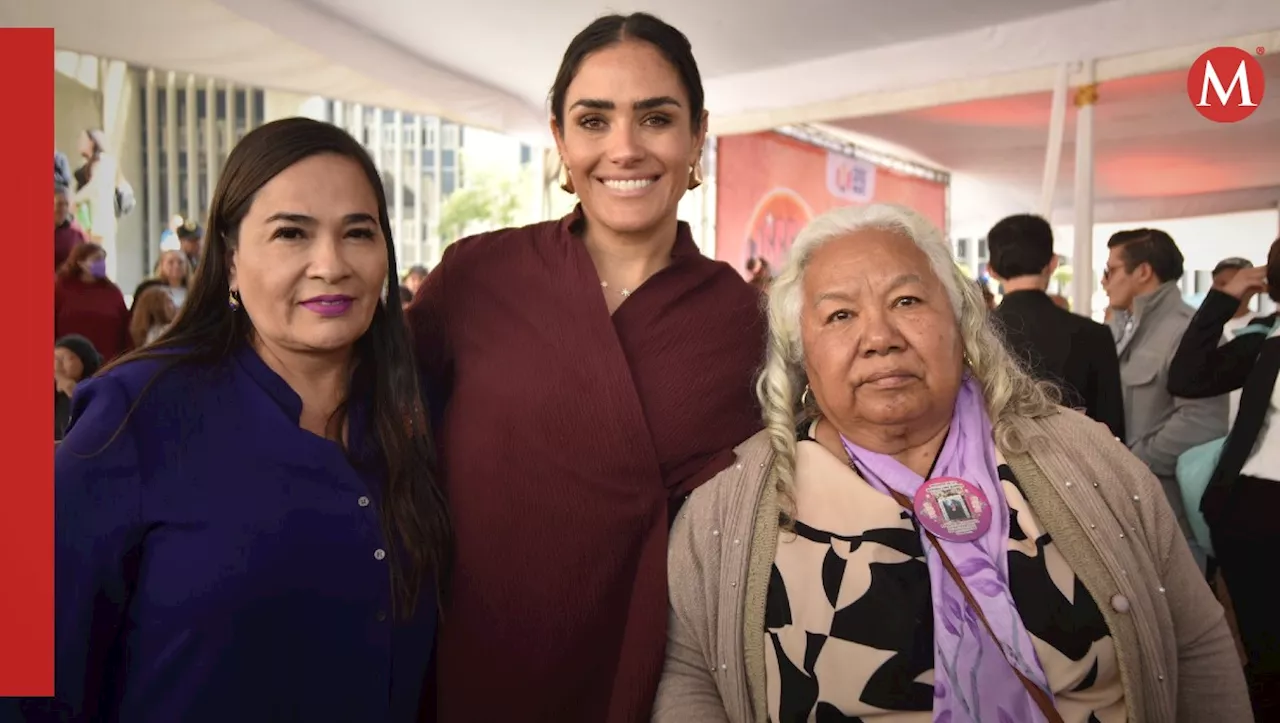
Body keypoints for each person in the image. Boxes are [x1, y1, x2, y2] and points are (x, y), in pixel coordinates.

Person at [653, 204, 1252, 723]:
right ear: (799, 350)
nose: (880, 336)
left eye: (907, 300)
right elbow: (690, 675)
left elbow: (1195, 642)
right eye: (840, 315)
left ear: (961, 324)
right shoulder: (735, 503)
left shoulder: (1084, 457)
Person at [14, 118, 451, 723]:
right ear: (230, 259)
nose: (330, 264)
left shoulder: (415, 410)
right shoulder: (136, 412)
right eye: (291, 234)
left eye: (358, 232)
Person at [406, 13, 764, 722]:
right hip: (471, 665)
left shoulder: (749, 320)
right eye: (593, 121)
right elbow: (378, 427)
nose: (624, 148)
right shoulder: (477, 276)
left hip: (658, 683)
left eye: (656, 118)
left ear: (698, 136)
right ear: (560, 139)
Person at [1168, 241, 1279, 721]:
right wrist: (1224, 297)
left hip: (1254, 510)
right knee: (1267, 656)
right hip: (1257, 509)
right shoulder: (1267, 335)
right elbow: (1188, 377)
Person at [1103, 228, 1227, 570]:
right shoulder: (1127, 329)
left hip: (1170, 517)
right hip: (1127, 511)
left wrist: (1131, 460)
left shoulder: (1189, 330)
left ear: (1142, 272)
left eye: (1111, 270)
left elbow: (1202, 421)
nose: (1105, 281)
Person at [987, 213, 1125, 439]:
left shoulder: (974, 333)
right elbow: (1112, 430)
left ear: (992, 269)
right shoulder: (1093, 335)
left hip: (994, 467)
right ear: (1053, 263)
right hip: (1077, 464)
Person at [54, 242, 131, 361]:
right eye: (96, 259)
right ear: (80, 263)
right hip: (68, 362)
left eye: (103, 259)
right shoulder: (61, 289)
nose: (101, 264)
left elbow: (126, 327)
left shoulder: (112, 291)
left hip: (108, 362)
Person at [54, 334, 102, 441]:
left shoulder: (97, 385)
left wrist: (64, 381)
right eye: (55, 359)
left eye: (66, 358)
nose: (58, 365)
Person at [1210, 257, 1263, 337]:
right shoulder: (1197, 326)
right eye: (1222, 284)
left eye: (1236, 284)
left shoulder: (1266, 327)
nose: (1228, 290)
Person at [54, 184, 88, 271]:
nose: (64, 209)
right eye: (60, 204)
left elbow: (89, 257)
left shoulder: (75, 231)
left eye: (66, 204)